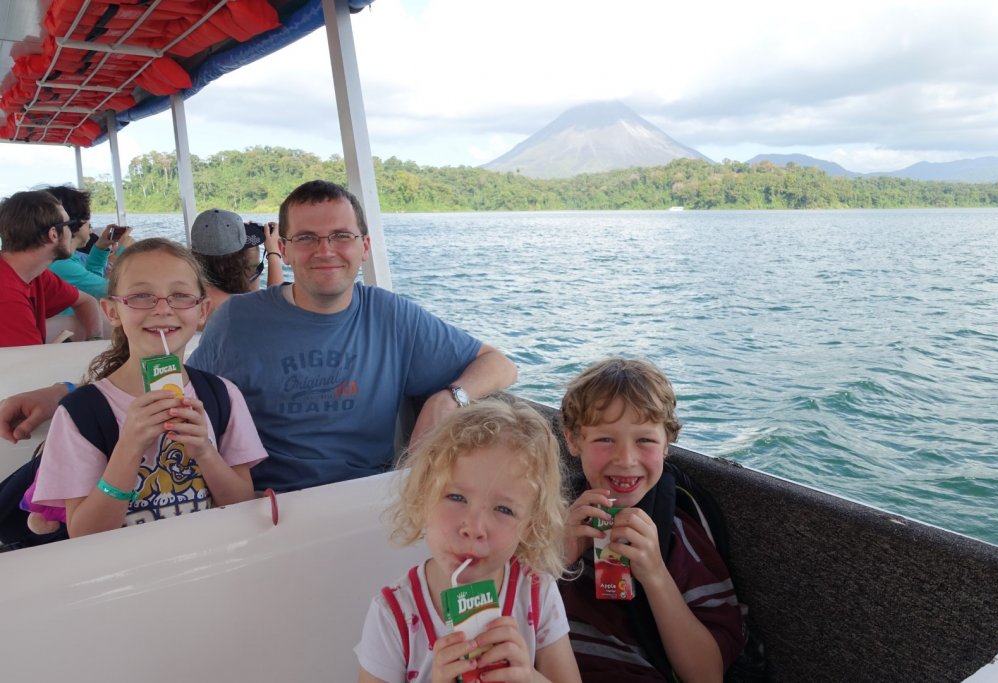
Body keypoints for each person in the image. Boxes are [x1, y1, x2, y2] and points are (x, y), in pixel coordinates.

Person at [0, 180, 517, 495]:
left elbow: (499, 364)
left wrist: (452, 397)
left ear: (363, 245)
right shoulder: (239, 319)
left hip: (367, 500)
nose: (325, 250)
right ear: (283, 251)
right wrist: (64, 394)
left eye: (340, 236)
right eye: (307, 238)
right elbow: (170, 378)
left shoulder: (394, 315)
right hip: (259, 503)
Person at [32, 238, 267, 536]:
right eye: (142, 296)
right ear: (113, 312)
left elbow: (242, 504)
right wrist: (128, 448)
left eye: (180, 295)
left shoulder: (223, 395)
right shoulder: (81, 414)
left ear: (203, 311)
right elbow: (84, 534)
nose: (162, 309)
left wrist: (205, 451)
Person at [355, 398, 580, 683]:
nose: (474, 528)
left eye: (504, 509)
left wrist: (530, 678)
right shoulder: (393, 614)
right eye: (457, 497)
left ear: (529, 526)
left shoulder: (537, 593)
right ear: (423, 498)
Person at [558, 358, 744, 682]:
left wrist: (655, 573)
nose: (626, 459)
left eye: (644, 440)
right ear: (574, 441)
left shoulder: (678, 536)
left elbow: (707, 674)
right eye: (605, 439)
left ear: (667, 444)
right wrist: (554, 559)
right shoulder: (549, 519)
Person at [0, 189, 102, 346]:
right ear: (53, 234)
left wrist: (95, 341)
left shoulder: (35, 275)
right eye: (69, 225)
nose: (72, 232)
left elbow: (86, 301)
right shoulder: (7, 296)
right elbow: (30, 365)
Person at [44, 184, 133, 301]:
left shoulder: (67, 259)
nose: (90, 229)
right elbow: (115, 291)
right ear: (78, 224)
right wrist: (123, 253)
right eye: (88, 223)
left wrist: (100, 248)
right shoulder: (61, 265)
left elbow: (91, 284)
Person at [189, 207, 284, 314]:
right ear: (244, 270)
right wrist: (274, 254)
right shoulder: (245, 312)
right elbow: (278, 307)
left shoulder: (190, 303)